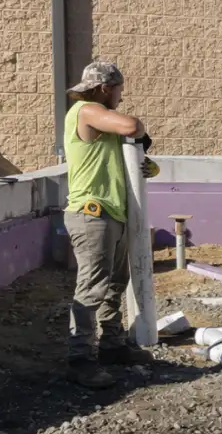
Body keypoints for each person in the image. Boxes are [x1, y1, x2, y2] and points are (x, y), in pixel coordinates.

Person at [63, 61, 157, 389]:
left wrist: (144, 163)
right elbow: (133, 126)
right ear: (106, 88)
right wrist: (141, 133)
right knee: (91, 288)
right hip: (92, 214)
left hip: (113, 214)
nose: (119, 96)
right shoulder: (86, 110)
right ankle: (80, 359)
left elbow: (129, 149)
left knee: (115, 284)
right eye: (118, 90)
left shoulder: (105, 129)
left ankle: (112, 346)